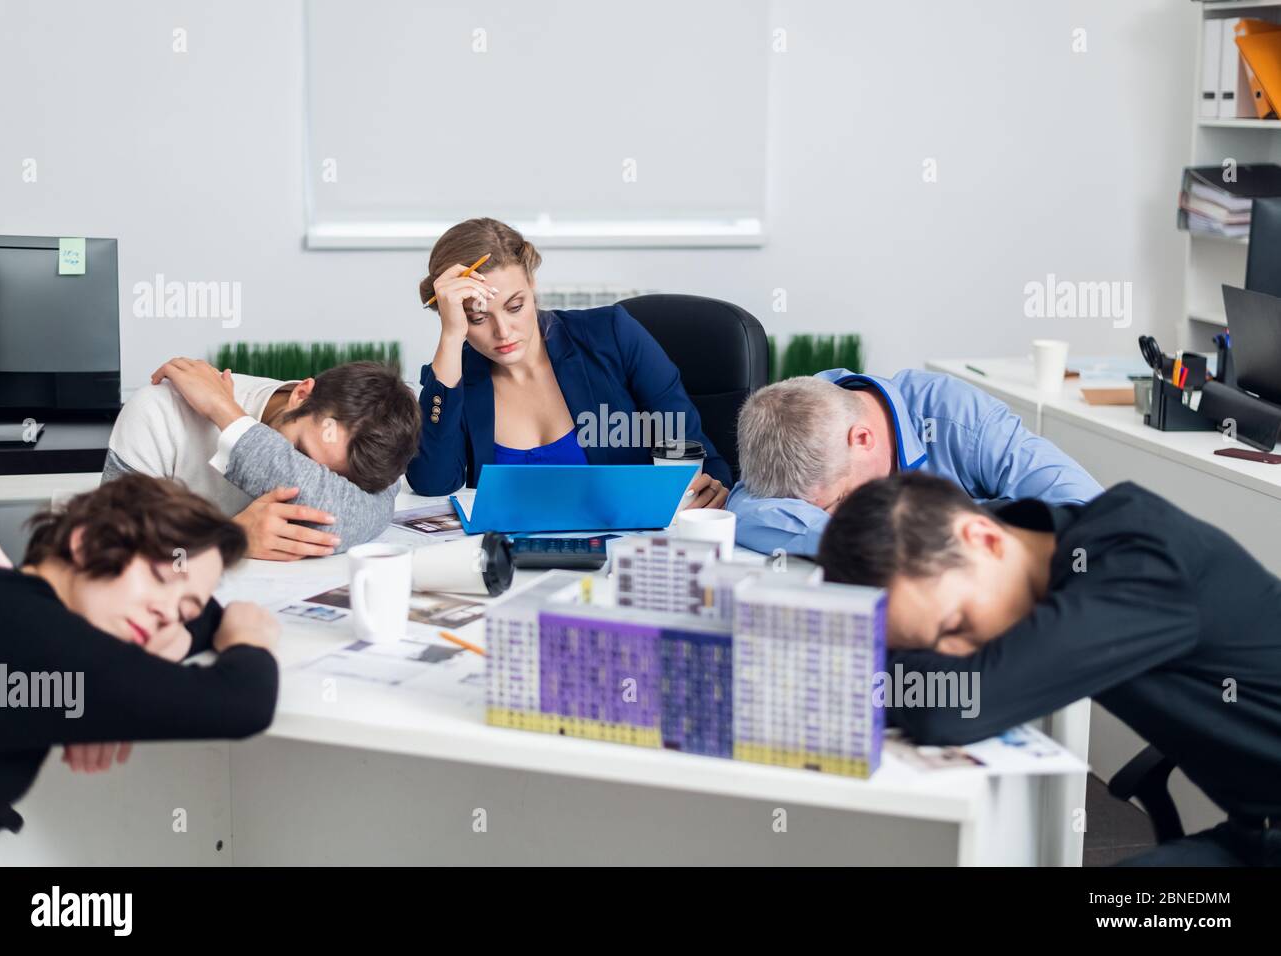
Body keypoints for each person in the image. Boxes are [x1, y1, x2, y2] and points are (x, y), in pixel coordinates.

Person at [817, 471, 1281, 867]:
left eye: (955, 625)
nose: (953, 654)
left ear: (984, 538)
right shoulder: (1036, 548)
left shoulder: (1140, 565)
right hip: (1251, 835)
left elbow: (957, 705)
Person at [0, 474, 280, 849]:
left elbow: (206, 620)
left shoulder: (12, 603)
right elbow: (244, 702)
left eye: (183, 610)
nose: (166, 613)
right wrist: (250, 640)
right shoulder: (32, 637)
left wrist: (119, 685)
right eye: (160, 577)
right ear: (88, 543)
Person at [407, 218, 731, 507]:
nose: (503, 332)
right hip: (510, 563)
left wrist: (709, 489)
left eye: (515, 306)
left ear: (532, 286)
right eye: (477, 318)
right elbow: (431, 483)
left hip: (620, 550)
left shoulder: (613, 335)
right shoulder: (455, 379)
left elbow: (699, 456)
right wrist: (450, 338)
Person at [729, 369, 1102, 555]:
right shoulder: (789, 422)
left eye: (840, 504)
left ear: (862, 439)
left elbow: (1091, 512)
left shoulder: (959, 420)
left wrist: (943, 528)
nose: (837, 516)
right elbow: (743, 512)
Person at [104, 357, 420, 560]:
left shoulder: (372, 448)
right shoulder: (159, 411)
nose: (300, 479)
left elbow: (366, 511)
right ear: (302, 393)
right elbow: (111, 555)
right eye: (300, 452)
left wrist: (224, 413)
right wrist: (226, 540)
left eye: (330, 481)